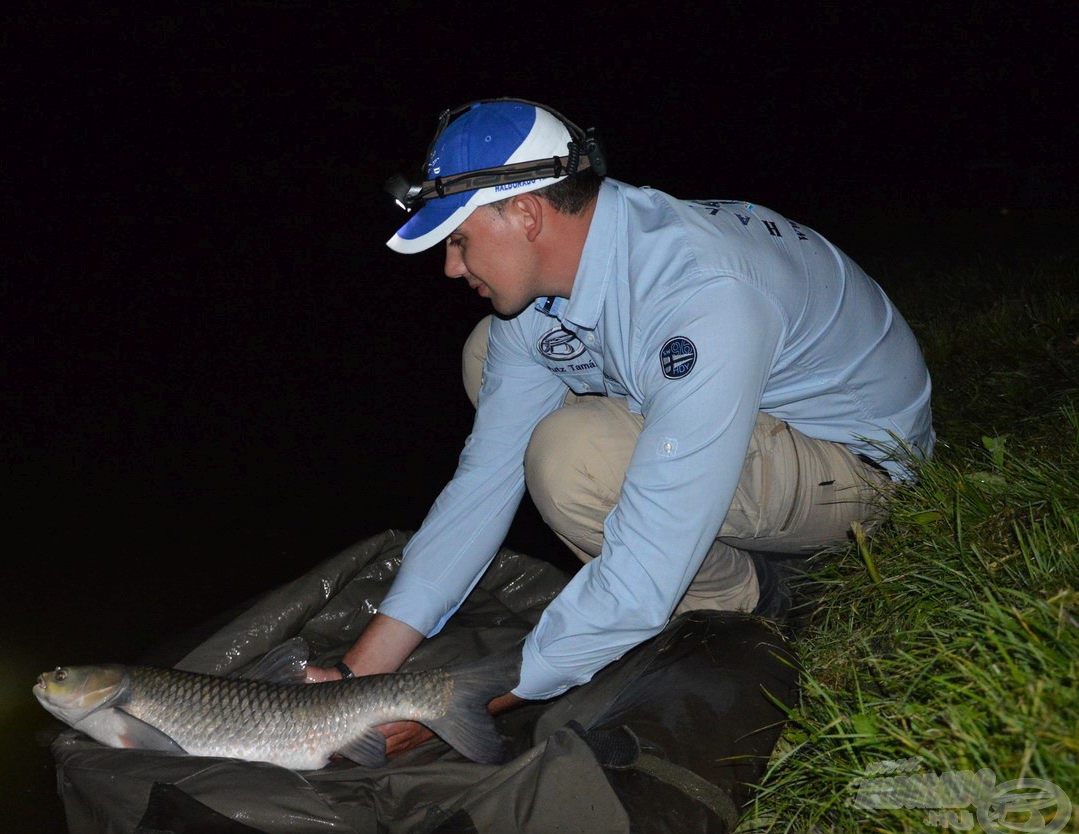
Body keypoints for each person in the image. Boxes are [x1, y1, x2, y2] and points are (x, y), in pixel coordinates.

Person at [306, 98, 934, 757]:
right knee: (489, 351)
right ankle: (728, 568)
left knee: (570, 460)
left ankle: (762, 593)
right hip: (753, 424)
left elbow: (638, 576)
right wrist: (359, 673)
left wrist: (466, 701)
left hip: (863, 464)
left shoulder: (699, 292)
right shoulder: (566, 269)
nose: (451, 267)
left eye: (459, 240)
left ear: (525, 214)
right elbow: (484, 481)